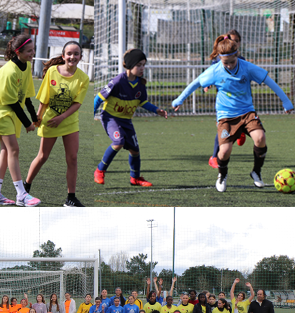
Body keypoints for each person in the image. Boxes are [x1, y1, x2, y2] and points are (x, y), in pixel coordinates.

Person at [172, 35, 293, 192]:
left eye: (232, 61)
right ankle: (222, 175)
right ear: (220, 59)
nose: (229, 65)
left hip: (247, 112)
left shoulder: (247, 67)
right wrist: (180, 99)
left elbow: (270, 81)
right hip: (226, 115)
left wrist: (286, 102)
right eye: (225, 62)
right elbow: (195, 83)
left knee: (260, 138)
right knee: (224, 151)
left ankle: (256, 171)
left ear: (237, 55)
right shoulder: (215, 71)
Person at [24, 41, 89, 207]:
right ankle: (24, 190)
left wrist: (62, 117)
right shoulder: (52, 72)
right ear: (63, 56)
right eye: (69, 53)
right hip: (50, 121)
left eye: (76, 54)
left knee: (72, 158)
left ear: (80, 57)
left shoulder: (83, 78)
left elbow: (77, 104)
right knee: (42, 156)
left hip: (69, 122)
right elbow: (44, 99)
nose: (72, 57)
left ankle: (71, 198)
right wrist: (37, 118)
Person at [93, 48, 168, 187]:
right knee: (119, 141)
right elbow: (98, 99)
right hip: (111, 117)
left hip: (126, 120)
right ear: (129, 65)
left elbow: (143, 102)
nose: (142, 68)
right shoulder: (117, 82)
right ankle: (99, 170)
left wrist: (157, 110)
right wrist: (92, 116)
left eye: (144, 65)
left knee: (135, 150)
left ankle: (135, 178)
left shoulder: (140, 84)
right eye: (138, 65)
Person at [0, 34, 40, 207]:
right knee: (13, 150)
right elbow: (12, 102)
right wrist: (28, 124)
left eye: (33, 50)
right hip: (1, 113)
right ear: (18, 51)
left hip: (12, 113)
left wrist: (35, 117)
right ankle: (21, 194)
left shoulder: (27, 66)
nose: (33, 53)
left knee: (6, 151)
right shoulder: (8, 71)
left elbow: (27, 96)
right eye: (29, 51)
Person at [205, 30, 247, 169]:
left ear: (239, 43)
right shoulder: (219, 59)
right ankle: (214, 157)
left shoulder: (243, 61)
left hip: (241, 103)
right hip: (224, 104)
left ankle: (240, 131)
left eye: (236, 40)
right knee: (222, 129)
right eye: (231, 39)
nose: (233, 42)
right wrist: (208, 84)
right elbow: (211, 73)